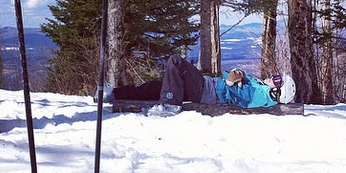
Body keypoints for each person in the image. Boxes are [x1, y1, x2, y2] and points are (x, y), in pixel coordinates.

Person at [104, 54, 296, 116]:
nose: (273, 77)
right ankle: (113, 94)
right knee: (156, 86)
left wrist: (233, 80)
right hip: (207, 86)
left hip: (207, 90)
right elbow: (237, 79)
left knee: (176, 62)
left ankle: (169, 105)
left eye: (277, 80)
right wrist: (239, 75)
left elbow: (240, 95)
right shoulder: (260, 87)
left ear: (277, 92)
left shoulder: (261, 95)